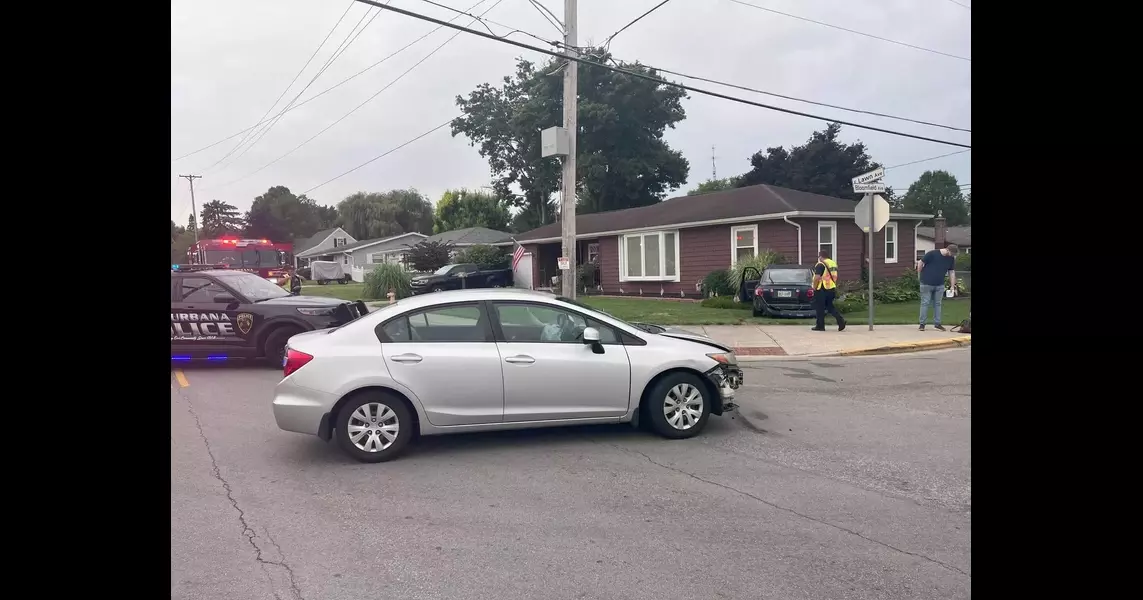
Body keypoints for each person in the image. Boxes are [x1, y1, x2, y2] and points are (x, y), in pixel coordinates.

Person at [917, 243, 959, 331]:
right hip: (926, 283)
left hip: (940, 284)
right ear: (948, 250)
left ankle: (937, 323)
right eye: (952, 254)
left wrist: (952, 285)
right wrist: (920, 273)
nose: (952, 256)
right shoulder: (932, 254)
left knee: (938, 304)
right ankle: (922, 324)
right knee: (925, 303)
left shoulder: (951, 259)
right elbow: (921, 262)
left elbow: (951, 272)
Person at [811, 250, 846, 332]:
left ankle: (820, 326)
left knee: (820, 308)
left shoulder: (821, 264)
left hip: (822, 288)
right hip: (831, 288)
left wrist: (814, 287)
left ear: (821, 256)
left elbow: (816, 277)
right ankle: (841, 322)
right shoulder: (833, 263)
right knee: (830, 307)